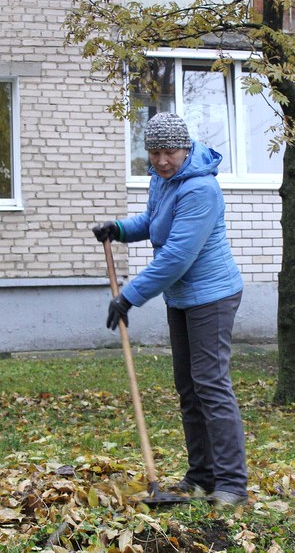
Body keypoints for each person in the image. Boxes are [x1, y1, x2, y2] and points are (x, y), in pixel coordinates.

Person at [92, 112, 248, 509]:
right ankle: (200, 476)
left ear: (186, 148)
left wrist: (129, 296)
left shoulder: (200, 189)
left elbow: (177, 255)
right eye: (155, 152)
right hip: (181, 298)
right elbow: (156, 222)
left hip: (212, 297)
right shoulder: (163, 181)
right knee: (189, 387)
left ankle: (231, 485)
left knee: (210, 385)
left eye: (170, 152)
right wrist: (121, 229)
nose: (162, 160)